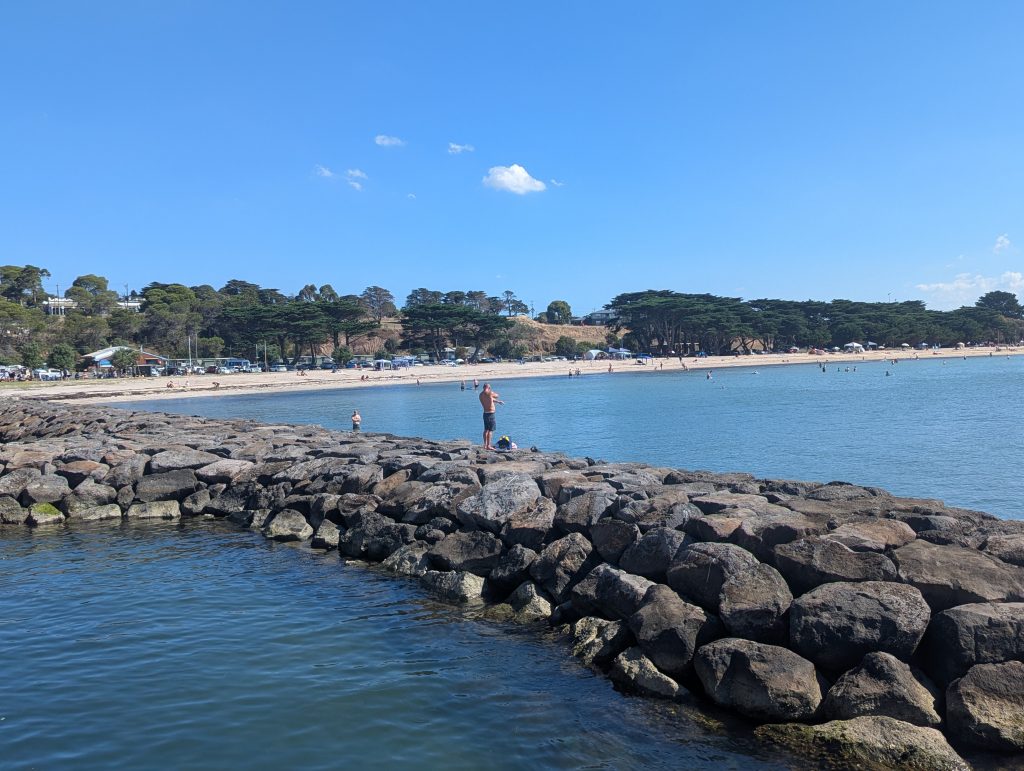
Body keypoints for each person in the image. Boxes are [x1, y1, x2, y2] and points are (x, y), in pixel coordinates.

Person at [479, 383, 503, 450]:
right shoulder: (490, 393)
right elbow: (497, 395)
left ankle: (485, 445)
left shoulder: (481, 395)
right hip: (490, 414)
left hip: (485, 414)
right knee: (490, 430)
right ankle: (488, 445)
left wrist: (498, 402)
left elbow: (490, 399)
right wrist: (491, 391)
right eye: (489, 388)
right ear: (488, 388)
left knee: (486, 430)